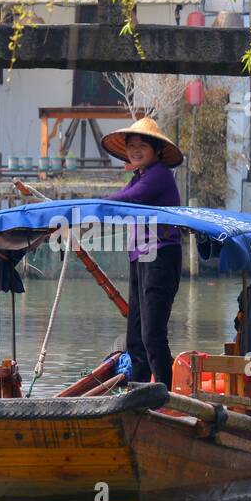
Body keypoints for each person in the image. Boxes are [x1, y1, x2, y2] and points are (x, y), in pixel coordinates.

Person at [101, 117, 183, 388]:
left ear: (157, 150)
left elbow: (127, 200)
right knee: (135, 334)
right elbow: (122, 198)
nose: (135, 150)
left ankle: (162, 392)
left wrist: (93, 204)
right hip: (140, 258)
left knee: (152, 334)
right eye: (131, 146)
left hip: (161, 256)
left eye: (142, 145)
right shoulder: (139, 176)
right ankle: (137, 390)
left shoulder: (159, 174)